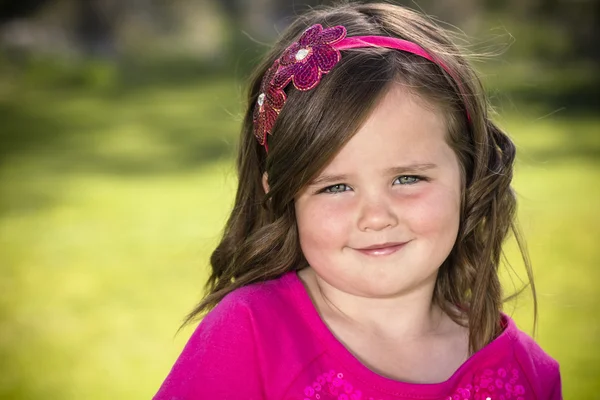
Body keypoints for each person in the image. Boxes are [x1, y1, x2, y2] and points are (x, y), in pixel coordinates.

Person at [153, 2, 562, 399]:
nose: (376, 217)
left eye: (407, 178)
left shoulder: (527, 374)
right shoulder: (249, 335)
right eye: (335, 187)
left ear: (469, 173)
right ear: (280, 192)